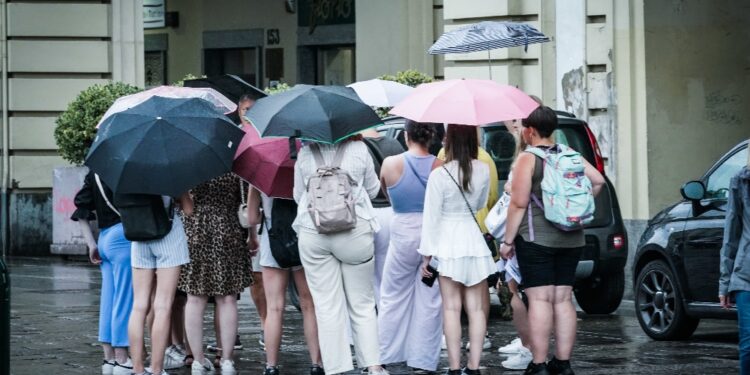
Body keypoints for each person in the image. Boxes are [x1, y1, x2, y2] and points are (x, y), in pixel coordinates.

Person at [500, 106, 604, 375]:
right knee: (563, 299)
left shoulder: (528, 158)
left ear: (530, 130)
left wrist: (508, 241)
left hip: (536, 239)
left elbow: (518, 203)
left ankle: (539, 364)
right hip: (572, 238)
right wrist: (573, 209)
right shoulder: (570, 154)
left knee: (540, 300)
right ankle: (563, 363)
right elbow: (599, 181)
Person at [293, 135, 389, 375]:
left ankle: (337, 368)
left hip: (313, 232)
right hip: (354, 230)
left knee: (326, 305)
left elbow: (298, 196)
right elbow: (374, 188)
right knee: (363, 303)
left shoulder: (305, 154)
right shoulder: (359, 148)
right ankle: (373, 366)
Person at [420, 124, 497, 375]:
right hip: (473, 240)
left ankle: (454, 368)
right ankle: (473, 367)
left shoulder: (439, 175)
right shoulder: (483, 170)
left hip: (446, 242)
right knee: (476, 309)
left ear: (448, 141)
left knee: (451, 308)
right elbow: (481, 203)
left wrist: (427, 256)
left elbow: (430, 218)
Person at [377, 120, 443, 372]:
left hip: (402, 230)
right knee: (430, 299)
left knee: (393, 295)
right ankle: (423, 360)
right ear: (432, 137)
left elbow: (386, 192)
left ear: (406, 136)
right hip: (432, 232)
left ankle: (387, 353)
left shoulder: (390, 163)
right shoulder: (441, 166)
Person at [178, 173, 253, 374]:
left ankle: (198, 361)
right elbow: (247, 201)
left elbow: (182, 203)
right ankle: (227, 360)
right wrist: (252, 236)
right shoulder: (234, 165)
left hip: (194, 231)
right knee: (227, 299)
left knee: (194, 299)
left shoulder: (188, 164)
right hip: (228, 229)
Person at [246, 187, 323, 375]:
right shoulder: (303, 165)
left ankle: (271, 366)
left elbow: (251, 218)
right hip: (303, 237)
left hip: (273, 240)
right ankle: (317, 364)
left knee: (274, 307)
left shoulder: (261, 174)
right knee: (309, 305)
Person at [437, 130, 499, 351]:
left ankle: (454, 363)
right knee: (477, 304)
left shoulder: (441, 165)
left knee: (451, 306)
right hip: (476, 234)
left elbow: (433, 208)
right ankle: (475, 356)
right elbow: (488, 199)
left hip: (448, 238)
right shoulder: (484, 163)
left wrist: (427, 253)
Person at [71, 172, 133, 375]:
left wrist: (91, 244)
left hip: (104, 238)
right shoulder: (127, 170)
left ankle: (109, 359)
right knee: (124, 299)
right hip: (123, 237)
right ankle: (123, 358)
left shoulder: (95, 173)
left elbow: (81, 208)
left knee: (109, 298)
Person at [126, 193, 192, 375]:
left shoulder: (130, 171)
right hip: (168, 236)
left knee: (138, 306)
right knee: (163, 305)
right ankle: (156, 369)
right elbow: (189, 209)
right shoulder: (170, 171)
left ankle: (138, 369)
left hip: (139, 234)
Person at [361, 127, 405, 307]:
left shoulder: (357, 148)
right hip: (392, 212)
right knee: (388, 271)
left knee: (368, 275)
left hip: (367, 213)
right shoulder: (395, 145)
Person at [719, 146, 750, 374]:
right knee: (748, 345)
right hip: (746, 276)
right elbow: (731, 234)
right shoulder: (741, 180)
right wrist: (725, 281)